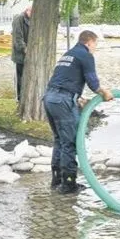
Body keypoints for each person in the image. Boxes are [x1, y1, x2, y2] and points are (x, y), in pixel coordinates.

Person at [43, 30, 113, 194]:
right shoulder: (86, 55)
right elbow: (93, 83)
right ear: (89, 42)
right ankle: (69, 184)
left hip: (49, 98)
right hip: (62, 100)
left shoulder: (68, 54)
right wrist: (105, 93)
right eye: (95, 44)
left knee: (59, 139)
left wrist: (78, 98)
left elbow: (65, 79)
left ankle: (57, 179)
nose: (95, 48)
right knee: (70, 141)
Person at [11, 6, 32, 101]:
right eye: (32, 12)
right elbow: (18, 38)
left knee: (28, 77)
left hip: (29, 54)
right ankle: (20, 98)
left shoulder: (31, 19)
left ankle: (27, 96)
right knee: (20, 78)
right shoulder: (19, 19)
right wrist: (25, 49)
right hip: (20, 55)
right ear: (27, 10)